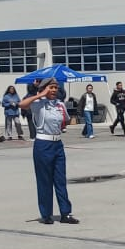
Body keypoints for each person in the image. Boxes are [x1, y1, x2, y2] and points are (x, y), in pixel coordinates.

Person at [21, 79, 79, 225]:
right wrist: (40, 94)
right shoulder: (38, 104)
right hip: (43, 144)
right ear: (44, 89)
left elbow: (64, 119)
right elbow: (22, 105)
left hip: (57, 144)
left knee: (60, 180)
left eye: (55, 88)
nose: (54, 90)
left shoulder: (60, 104)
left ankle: (65, 213)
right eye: (51, 88)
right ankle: (46, 214)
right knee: (44, 181)